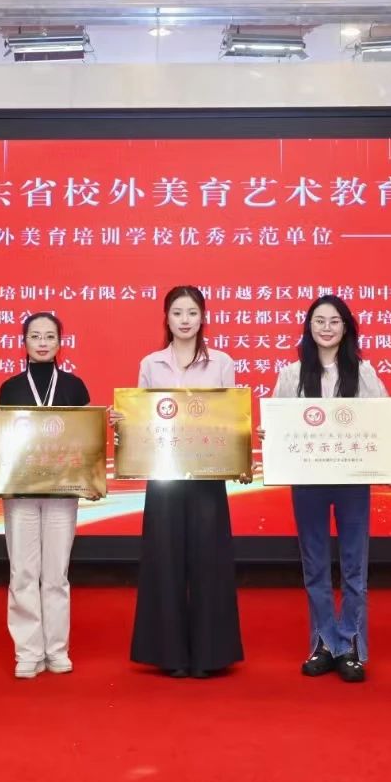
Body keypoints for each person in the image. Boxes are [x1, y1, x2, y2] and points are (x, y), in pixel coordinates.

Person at [121, 285, 244, 679]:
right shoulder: (151, 364)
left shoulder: (221, 362)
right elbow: (142, 419)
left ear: (203, 317)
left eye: (192, 312)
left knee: (210, 561)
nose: (185, 320)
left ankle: (210, 654)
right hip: (165, 476)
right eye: (178, 313)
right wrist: (124, 420)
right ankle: (169, 653)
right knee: (164, 560)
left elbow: (230, 418)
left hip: (207, 476)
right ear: (167, 318)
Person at [271, 294, 386, 683]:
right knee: (315, 565)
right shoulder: (292, 374)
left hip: (353, 480)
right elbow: (279, 424)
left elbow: (381, 419)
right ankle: (323, 642)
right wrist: (271, 434)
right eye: (319, 321)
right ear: (308, 327)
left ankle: (350, 644)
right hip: (308, 480)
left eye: (334, 321)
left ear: (346, 327)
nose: (326, 328)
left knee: (354, 566)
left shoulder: (363, 372)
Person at [0, 312, 92, 679]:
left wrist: (104, 425)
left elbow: (85, 439)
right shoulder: (10, 388)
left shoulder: (75, 387)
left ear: (60, 343)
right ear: (24, 342)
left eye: (49, 336)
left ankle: (57, 650)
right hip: (20, 490)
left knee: (56, 573)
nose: (42, 343)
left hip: (62, 490)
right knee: (22, 571)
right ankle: (28, 651)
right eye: (35, 336)